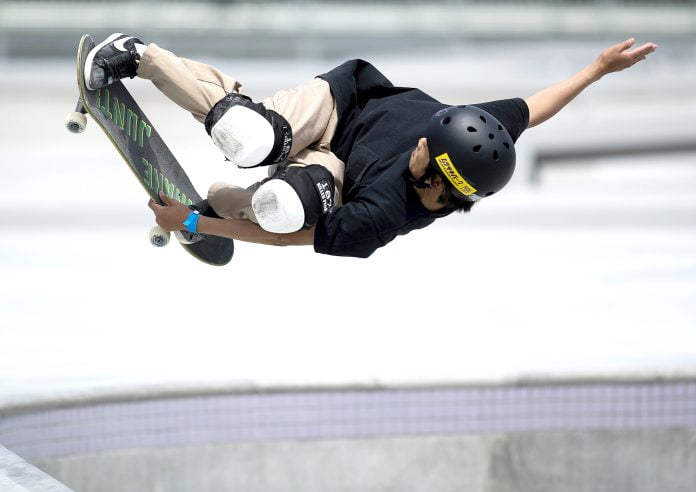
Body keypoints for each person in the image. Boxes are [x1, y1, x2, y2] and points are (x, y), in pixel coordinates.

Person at [85, 34, 657, 258]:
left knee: (279, 208)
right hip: (339, 102)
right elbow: (538, 105)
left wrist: (195, 223)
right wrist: (598, 69)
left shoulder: (381, 217)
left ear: (436, 180)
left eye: (425, 146)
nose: (421, 133)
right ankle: (138, 55)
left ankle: (220, 200)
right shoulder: (478, 133)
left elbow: (286, 239)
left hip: (331, 173)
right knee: (253, 136)